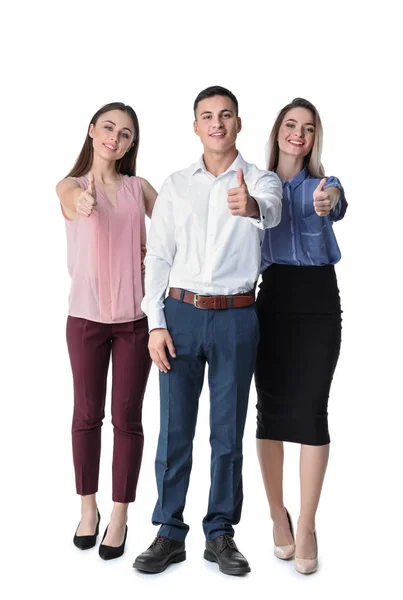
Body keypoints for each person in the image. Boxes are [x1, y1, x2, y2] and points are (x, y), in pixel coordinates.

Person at [132, 86, 282, 576]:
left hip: (238, 316)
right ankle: (169, 532)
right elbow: (158, 258)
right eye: (206, 116)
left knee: (227, 433)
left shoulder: (262, 181)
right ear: (195, 126)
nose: (217, 123)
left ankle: (220, 532)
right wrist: (155, 324)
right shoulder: (176, 185)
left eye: (226, 115)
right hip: (181, 313)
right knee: (174, 430)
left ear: (239, 123)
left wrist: (251, 207)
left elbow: (273, 211)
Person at [56, 102, 157, 560]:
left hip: (136, 323)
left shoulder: (139, 188)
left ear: (132, 144)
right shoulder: (74, 186)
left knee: (127, 419)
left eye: (127, 134)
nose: (116, 138)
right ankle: (88, 508)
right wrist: (80, 202)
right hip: (86, 320)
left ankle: (120, 514)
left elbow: (176, 225)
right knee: (86, 415)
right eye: (109, 128)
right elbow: (68, 199)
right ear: (93, 130)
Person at [254, 97, 347, 574]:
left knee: (312, 410)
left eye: (307, 128)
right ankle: (277, 516)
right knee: (269, 413)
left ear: (314, 138)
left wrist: (327, 203)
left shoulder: (324, 185)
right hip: (271, 302)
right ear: (277, 132)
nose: (298, 133)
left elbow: (337, 203)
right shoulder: (257, 185)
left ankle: (307, 523)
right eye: (290, 125)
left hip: (316, 305)